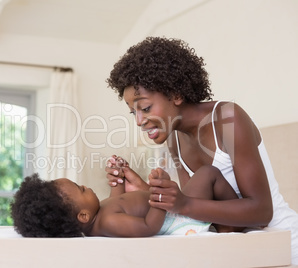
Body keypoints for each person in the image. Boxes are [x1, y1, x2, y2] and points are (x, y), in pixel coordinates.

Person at [105, 36, 298, 264]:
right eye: (133, 112)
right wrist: (142, 189)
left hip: (283, 245)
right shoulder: (174, 139)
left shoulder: (228, 119)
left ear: (176, 94)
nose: (139, 121)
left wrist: (183, 203)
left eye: (145, 108)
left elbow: (262, 211)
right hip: (238, 248)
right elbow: (196, 212)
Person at [11, 160, 241, 237]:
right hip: (180, 218)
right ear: (83, 216)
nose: (86, 185)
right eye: (81, 189)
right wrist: (159, 195)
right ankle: (237, 221)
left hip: (175, 209)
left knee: (205, 175)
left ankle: (227, 223)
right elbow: (148, 226)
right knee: (208, 174)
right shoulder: (108, 223)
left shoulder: (100, 214)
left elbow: (117, 201)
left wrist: (118, 179)